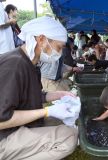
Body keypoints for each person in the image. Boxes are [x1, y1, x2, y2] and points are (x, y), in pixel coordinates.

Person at [0, 16, 78, 159]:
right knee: (69, 137)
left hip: (20, 126)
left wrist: (58, 95)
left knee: (64, 124)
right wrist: (47, 111)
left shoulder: (30, 62)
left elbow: (30, 95)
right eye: (58, 48)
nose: (59, 54)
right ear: (41, 40)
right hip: (5, 137)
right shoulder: (15, 65)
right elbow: (2, 120)